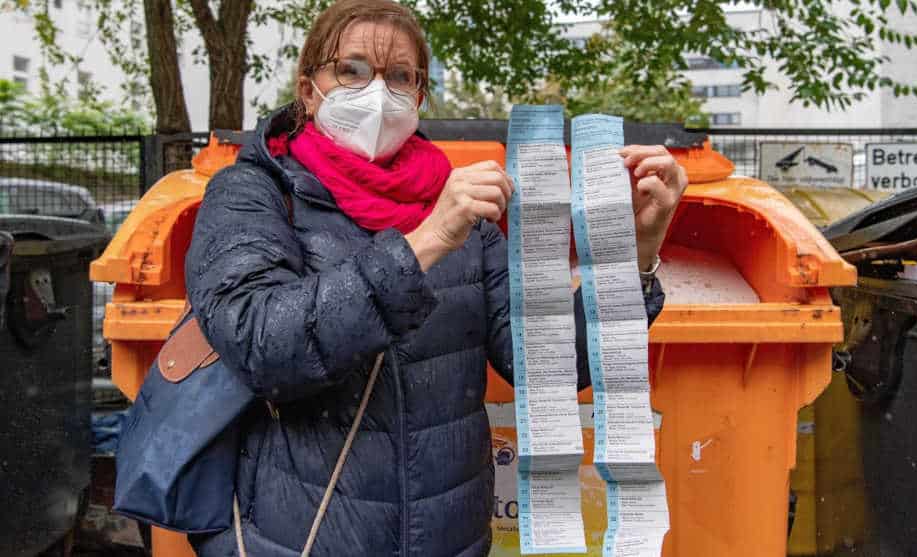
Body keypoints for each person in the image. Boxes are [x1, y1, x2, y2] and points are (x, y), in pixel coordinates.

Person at [185, 0, 687, 555]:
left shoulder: (459, 205)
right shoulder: (255, 193)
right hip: (300, 539)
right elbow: (261, 345)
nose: (378, 92)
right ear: (309, 89)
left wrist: (636, 248)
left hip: (450, 540)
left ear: (419, 97)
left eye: (400, 76)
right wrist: (426, 241)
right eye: (352, 70)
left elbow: (542, 363)